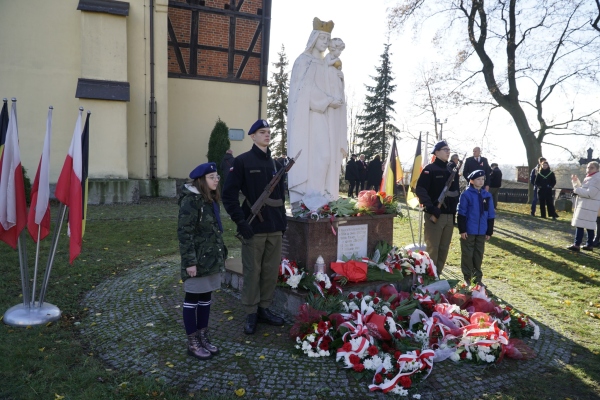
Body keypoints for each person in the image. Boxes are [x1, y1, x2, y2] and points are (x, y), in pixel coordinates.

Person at [222, 119, 287, 335]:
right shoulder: (242, 162)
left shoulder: (277, 164)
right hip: (253, 227)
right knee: (252, 271)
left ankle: (264, 309)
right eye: (262, 132)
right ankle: (251, 312)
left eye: (268, 132)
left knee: (270, 272)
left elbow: (280, 196)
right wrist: (240, 221)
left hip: (275, 226)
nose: (267, 135)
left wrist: (283, 223)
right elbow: (228, 195)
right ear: (252, 136)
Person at [287, 18, 346, 206]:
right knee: (318, 155)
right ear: (314, 38)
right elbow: (305, 90)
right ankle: (310, 196)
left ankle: (322, 195)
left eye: (327, 39)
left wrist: (339, 79)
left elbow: (331, 86)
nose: (325, 42)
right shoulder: (303, 61)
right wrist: (328, 99)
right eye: (322, 38)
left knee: (326, 156)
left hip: (325, 115)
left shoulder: (326, 63)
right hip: (310, 117)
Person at [177, 162, 227, 360]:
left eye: (217, 177)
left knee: (206, 298)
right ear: (201, 180)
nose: (216, 180)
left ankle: (203, 335)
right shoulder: (191, 201)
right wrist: (190, 262)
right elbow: (184, 233)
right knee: (192, 299)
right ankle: (193, 342)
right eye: (212, 177)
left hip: (210, 259)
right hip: (196, 260)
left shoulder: (209, 199)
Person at [415, 140, 457, 275]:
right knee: (433, 248)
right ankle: (428, 276)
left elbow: (456, 193)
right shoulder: (430, 169)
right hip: (435, 215)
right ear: (437, 152)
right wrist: (431, 207)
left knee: (444, 248)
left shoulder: (451, 170)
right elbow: (420, 189)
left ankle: (437, 274)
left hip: (449, 216)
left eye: (449, 149)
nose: (448, 152)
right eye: (445, 149)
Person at [457, 170, 495, 286]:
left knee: (478, 254)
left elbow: (491, 214)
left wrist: (489, 231)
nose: (481, 181)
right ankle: (467, 277)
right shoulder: (466, 195)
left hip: (482, 231)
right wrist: (462, 230)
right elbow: (461, 213)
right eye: (478, 179)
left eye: (483, 179)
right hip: (469, 230)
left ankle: (477, 278)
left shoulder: (487, 195)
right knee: (468, 254)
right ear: (472, 181)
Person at [567, 161, 600, 252]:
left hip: (589, 206)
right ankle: (588, 245)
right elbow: (583, 189)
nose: (589, 169)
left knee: (582, 225)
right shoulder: (590, 177)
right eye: (588, 167)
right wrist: (576, 182)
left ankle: (577, 244)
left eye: (591, 168)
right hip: (586, 205)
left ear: (597, 169)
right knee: (586, 225)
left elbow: (590, 194)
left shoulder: (597, 179)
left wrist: (576, 189)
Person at [447, 154, 461, 225]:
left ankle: (451, 220)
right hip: (453, 189)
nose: (457, 161)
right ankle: (452, 221)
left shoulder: (448, 164)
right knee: (454, 206)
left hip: (448, 189)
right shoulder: (454, 166)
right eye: (457, 160)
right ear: (455, 159)